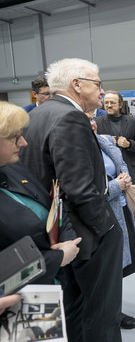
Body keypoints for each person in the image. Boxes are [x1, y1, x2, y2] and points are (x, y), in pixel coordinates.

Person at [20, 58, 124, 342]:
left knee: (72, 309)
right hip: (85, 232)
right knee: (102, 313)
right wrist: (107, 227)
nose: (102, 92)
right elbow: (79, 187)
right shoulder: (71, 117)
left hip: (54, 230)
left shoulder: (37, 114)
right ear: (77, 85)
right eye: (98, 85)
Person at [0, 101, 81, 284]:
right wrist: (56, 259)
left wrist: (67, 240)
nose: (23, 142)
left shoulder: (14, 167)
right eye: (15, 137)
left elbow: (53, 204)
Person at [88, 113, 135, 329]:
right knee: (105, 269)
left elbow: (120, 165)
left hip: (120, 208)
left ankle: (113, 310)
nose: (92, 123)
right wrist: (117, 186)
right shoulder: (80, 152)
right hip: (103, 214)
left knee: (117, 267)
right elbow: (88, 192)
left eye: (92, 119)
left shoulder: (104, 141)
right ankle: (110, 315)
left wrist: (125, 178)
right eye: (85, 118)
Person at [96, 91, 135, 247]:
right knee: (112, 204)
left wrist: (129, 144)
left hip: (130, 169)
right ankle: (117, 236)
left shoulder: (133, 122)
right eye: (106, 102)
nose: (109, 105)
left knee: (132, 203)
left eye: (112, 102)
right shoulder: (98, 122)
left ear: (120, 104)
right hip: (108, 172)